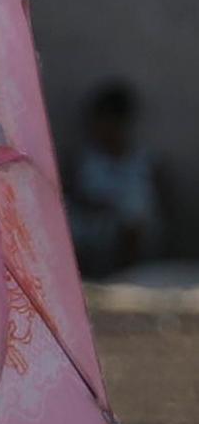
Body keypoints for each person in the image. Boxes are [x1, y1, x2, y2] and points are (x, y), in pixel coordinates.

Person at [66, 81, 163, 278]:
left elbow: (157, 201)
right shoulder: (85, 161)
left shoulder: (144, 161)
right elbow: (74, 195)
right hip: (94, 226)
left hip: (132, 232)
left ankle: (126, 277)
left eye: (108, 122)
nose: (102, 129)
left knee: (134, 210)